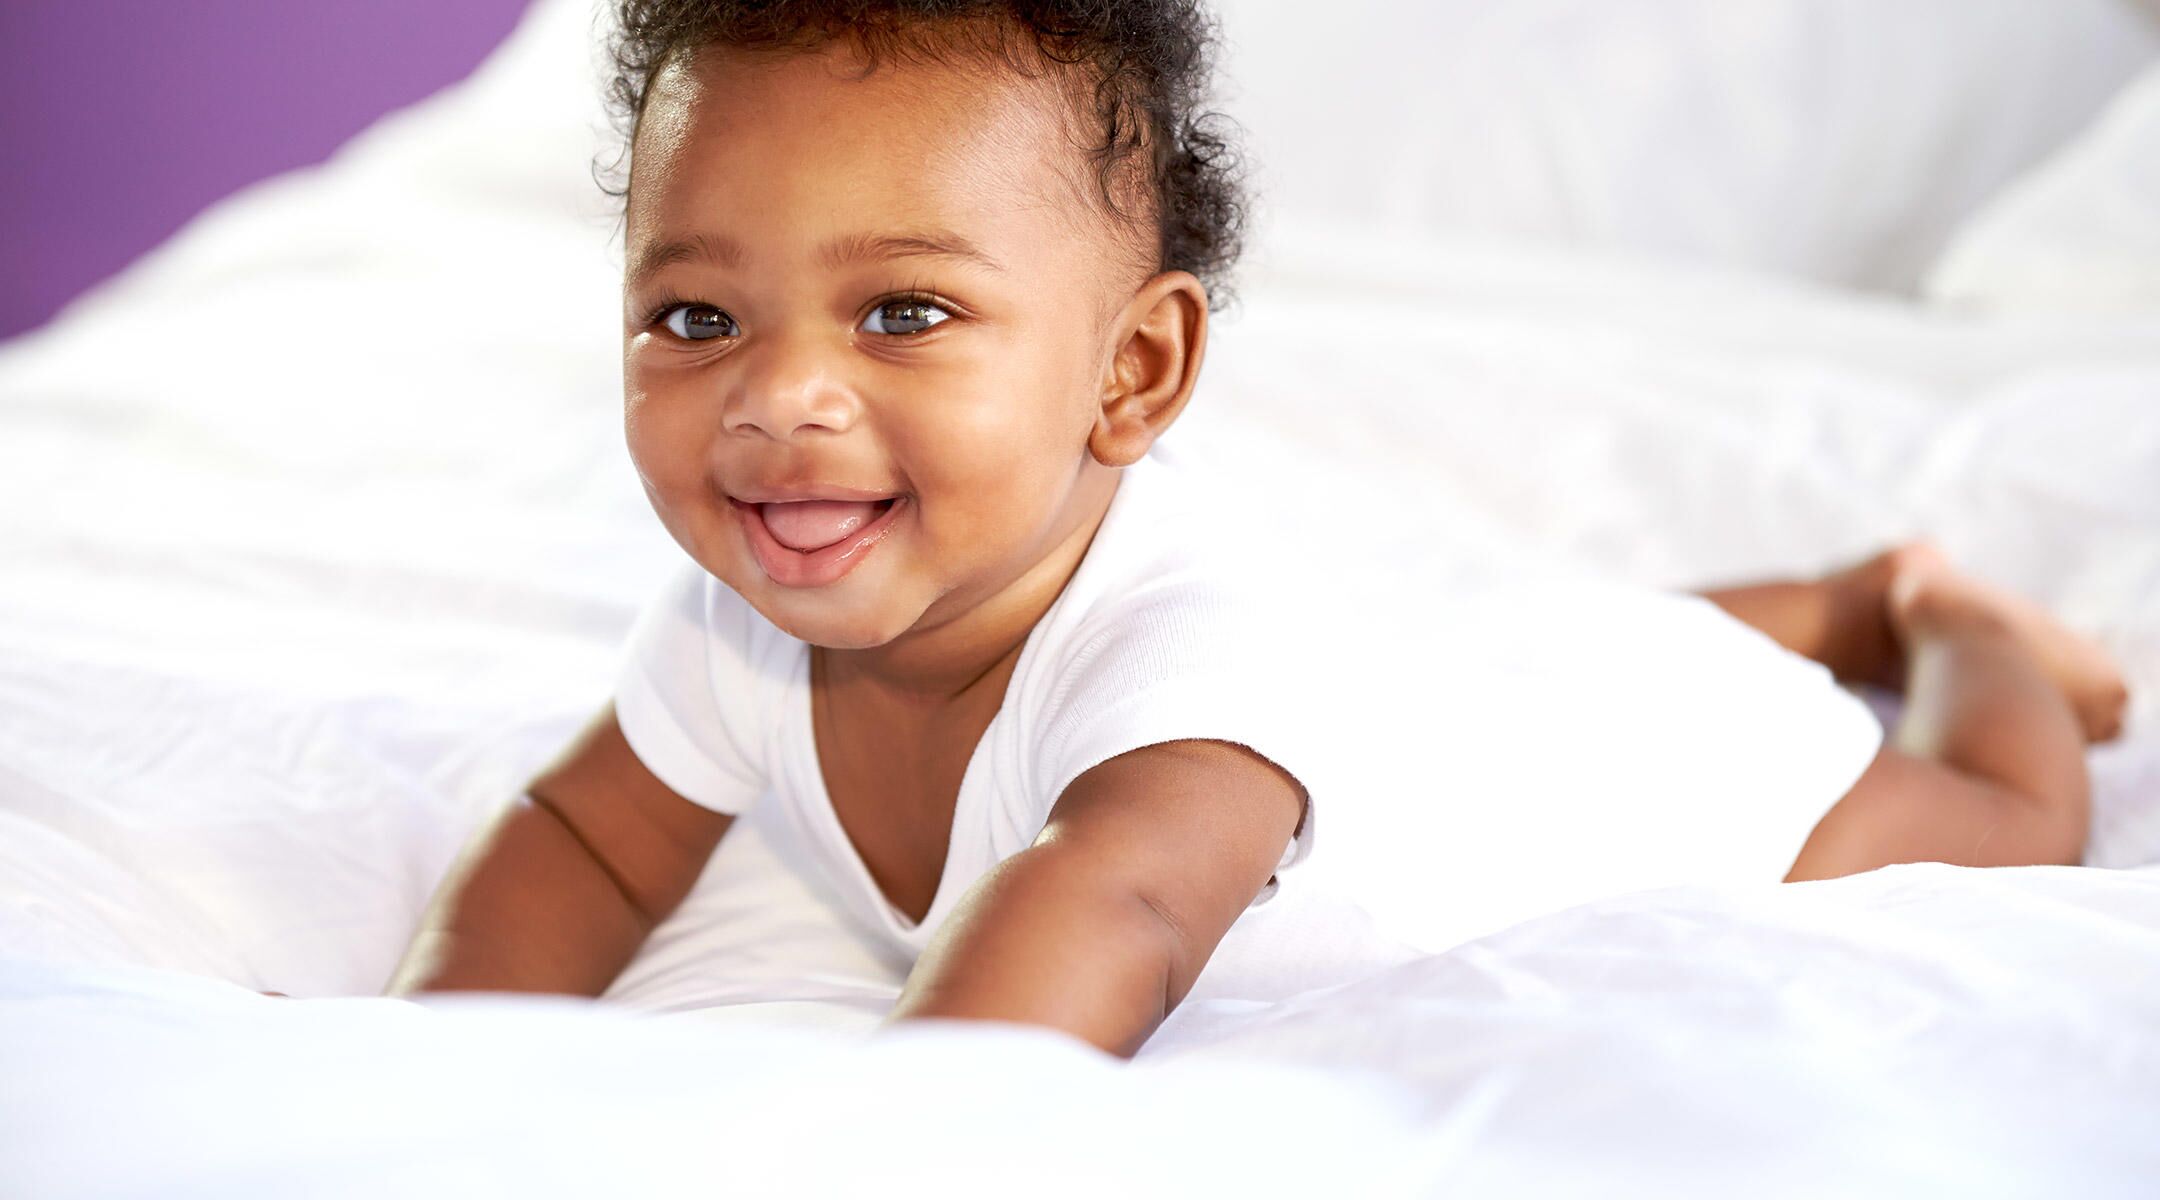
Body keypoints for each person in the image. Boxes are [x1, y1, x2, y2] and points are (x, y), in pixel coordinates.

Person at [381, 0, 2129, 1057]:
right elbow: (588, 845)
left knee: (1990, 815)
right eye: (698, 321)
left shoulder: (1181, 678)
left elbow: (1112, 907)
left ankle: (1921, 605)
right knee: (1533, 637)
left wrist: (900, 1134)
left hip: (1604, 772)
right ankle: (1816, 594)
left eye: (902, 314)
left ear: (1132, 372)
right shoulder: (733, 623)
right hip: (1442, 682)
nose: (782, 402)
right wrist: (431, 1058)